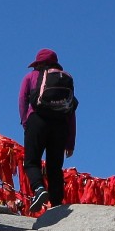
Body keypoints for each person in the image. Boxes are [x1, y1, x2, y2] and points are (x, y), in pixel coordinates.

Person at [18, 48, 76, 211]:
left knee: (31, 161)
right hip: (61, 124)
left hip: (37, 120)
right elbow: (71, 111)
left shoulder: (30, 77)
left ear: (38, 63)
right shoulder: (65, 79)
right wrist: (70, 142)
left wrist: (25, 122)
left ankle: (39, 188)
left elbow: (22, 100)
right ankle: (57, 203)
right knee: (54, 166)